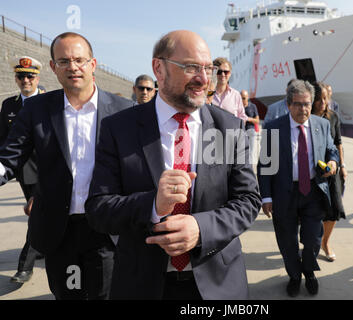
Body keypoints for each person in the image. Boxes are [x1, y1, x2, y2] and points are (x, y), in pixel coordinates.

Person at [85, 30, 261, 300]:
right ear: (159, 68)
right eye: (191, 67)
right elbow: (98, 209)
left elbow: (248, 201)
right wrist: (153, 205)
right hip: (142, 283)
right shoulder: (118, 129)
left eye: (208, 68)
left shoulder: (231, 128)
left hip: (217, 284)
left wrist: (201, 228)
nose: (204, 79)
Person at [0, 32, 132, 299]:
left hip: (105, 231)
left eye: (79, 60)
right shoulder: (36, 109)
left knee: (104, 295)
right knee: (67, 295)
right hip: (59, 232)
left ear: (93, 64)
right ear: (53, 67)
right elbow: (10, 158)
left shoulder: (122, 110)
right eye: (64, 61)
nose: (73, 67)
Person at [258, 80, 339, 297]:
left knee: (313, 239)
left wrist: (333, 163)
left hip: (314, 191)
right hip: (284, 193)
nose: (303, 109)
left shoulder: (321, 125)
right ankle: (294, 276)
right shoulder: (274, 128)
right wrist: (266, 197)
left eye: (307, 104)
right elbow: (265, 164)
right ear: (288, 104)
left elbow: (332, 150)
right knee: (287, 240)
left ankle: (309, 271)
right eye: (298, 104)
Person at [0, 56, 44, 284]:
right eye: (21, 76)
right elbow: (4, 140)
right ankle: (43, 246)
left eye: (30, 76)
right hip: (23, 172)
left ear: (38, 78)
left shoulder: (50, 102)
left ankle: (24, 267)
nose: (26, 80)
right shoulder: (9, 105)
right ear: (16, 79)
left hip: (48, 170)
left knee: (38, 214)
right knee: (39, 214)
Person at [311, 82, 347, 262]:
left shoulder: (333, 117)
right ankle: (312, 242)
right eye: (318, 99)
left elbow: (338, 142)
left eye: (325, 98)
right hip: (312, 171)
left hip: (332, 169)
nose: (323, 102)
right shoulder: (305, 118)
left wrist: (342, 165)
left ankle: (325, 242)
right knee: (314, 209)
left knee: (334, 209)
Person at [211, 57, 248, 122]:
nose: (222, 74)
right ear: (214, 73)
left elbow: (242, 117)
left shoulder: (236, 95)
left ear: (230, 74)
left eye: (226, 72)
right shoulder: (206, 94)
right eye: (219, 72)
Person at [241, 89, 260, 167]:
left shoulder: (252, 106)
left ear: (247, 97)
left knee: (251, 151)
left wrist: (248, 119)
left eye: (244, 98)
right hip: (240, 130)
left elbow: (257, 120)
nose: (242, 100)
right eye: (241, 98)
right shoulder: (237, 106)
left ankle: (250, 169)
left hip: (250, 130)